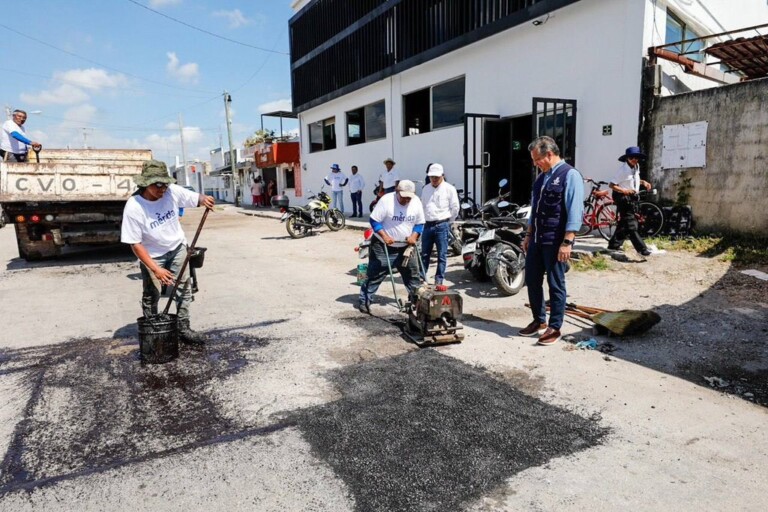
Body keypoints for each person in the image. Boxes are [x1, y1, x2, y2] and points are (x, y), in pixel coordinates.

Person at [120, 160, 215, 345]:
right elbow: (135, 244)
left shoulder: (171, 191)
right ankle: (153, 328)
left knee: (183, 288)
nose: (162, 188)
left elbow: (196, 198)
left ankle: (183, 327)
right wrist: (156, 270)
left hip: (177, 248)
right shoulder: (134, 206)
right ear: (145, 183)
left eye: (165, 183)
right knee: (152, 293)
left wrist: (205, 199)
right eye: (157, 184)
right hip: (152, 254)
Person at [519, 136, 584, 346]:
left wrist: (568, 242)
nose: (535, 163)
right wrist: (528, 235)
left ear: (549, 154)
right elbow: (534, 211)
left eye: (537, 159)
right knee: (532, 280)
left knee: (556, 284)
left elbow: (575, 210)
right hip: (537, 238)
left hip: (555, 240)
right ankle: (538, 320)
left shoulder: (570, 175)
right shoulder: (541, 179)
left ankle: (554, 326)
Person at [358, 180, 425, 314]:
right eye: (403, 196)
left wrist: (414, 236)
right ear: (397, 191)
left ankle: (417, 302)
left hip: (406, 246)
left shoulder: (416, 201)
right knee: (376, 274)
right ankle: (365, 300)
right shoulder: (386, 200)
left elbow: (420, 223)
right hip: (383, 245)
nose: (406, 199)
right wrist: (385, 236)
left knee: (413, 276)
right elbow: (374, 220)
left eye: (409, 197)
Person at [608, 146, 654, 257]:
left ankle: (614, 244)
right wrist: (624, 190)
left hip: (632, 197)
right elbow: (612, 185)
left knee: (624, 223)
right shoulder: (622, 170)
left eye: (636, 157)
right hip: (622, 197)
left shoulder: (636, 167)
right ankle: (642, 249)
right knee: (631, 224)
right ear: (627, 158)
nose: (634, 159)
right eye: (631, 157)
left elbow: (634, 179)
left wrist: (643, 182)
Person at [420, 163, 460, 285]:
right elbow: (422, 206)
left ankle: (439, 280)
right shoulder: (426, 189)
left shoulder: (449, 189)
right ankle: (422, 278)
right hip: (427, 225)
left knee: (442, 255)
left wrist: (449, 222)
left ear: (442, 176)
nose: (434, 179)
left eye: (436, 177)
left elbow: (455, 208)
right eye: (432, 177)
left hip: (442, 225)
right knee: (425, 254)